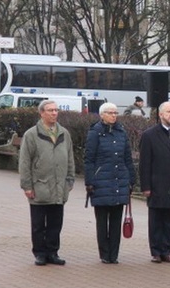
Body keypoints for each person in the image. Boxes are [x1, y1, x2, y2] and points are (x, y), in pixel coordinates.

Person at [19, 100, 75, 266]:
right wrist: (27, 185)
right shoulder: (31, 134)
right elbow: (24, 162)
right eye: (50, 110)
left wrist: (70, 180)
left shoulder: (64, 133)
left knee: (55, 223)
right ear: (41, 113)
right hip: (39, 186)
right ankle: (40, 253)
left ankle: (53, 252)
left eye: (56, 110)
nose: (54, 113)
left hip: (59, 186)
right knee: (38, 224)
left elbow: (70, 157)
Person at [84, 103, 136, 264]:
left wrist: (131, 179)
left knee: (116, 220)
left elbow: (127, 158)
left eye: (115, 113)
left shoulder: (121, 132)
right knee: (102, 221)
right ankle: (104, 254)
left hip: (119, 180)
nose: (114, 115)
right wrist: (90, 181)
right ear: (102, 115)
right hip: (101, 182)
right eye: (110, 113)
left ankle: (114, 254)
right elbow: (89, 159)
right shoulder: (95, 133)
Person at [140, 101, 170, 264]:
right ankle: (155, 251)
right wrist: (145, 186)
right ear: (160, 115)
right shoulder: (150, 135)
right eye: (168, 112)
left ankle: (166, 251)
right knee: (156, 220)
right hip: (156, 184)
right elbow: (144, 163)